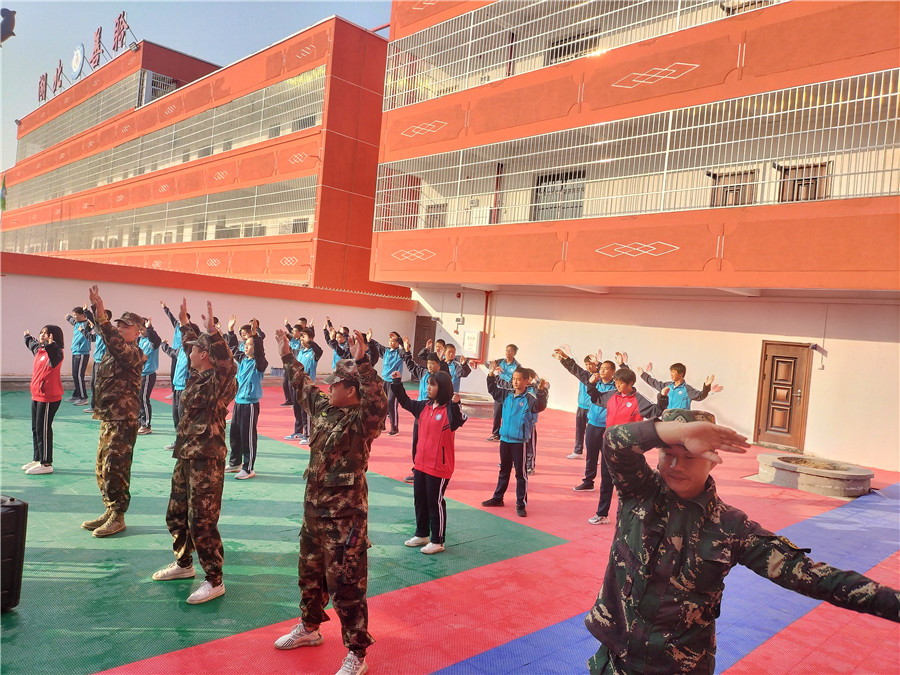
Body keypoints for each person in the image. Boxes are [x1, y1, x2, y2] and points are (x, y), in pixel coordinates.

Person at [585, 410, 900, 675]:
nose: (676, 466)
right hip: (616, 662)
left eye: (690, 456)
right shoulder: (640, 491)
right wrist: (677, 432)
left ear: (713, 462)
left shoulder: (731, 527)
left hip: (679, 667)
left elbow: (812, 576)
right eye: (668, 454)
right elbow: (614, 441)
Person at [273, 328, 388, 675]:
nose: (328, 389)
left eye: (334, 385)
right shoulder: (325, 410)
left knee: (347, 587)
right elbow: (303, 385)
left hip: (344, 522)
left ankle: (357, 654)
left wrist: (363, 363)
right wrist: (287, 354)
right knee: (309, 576)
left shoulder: (362, 421)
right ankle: (309, 628)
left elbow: (378, 402)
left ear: (350, 390)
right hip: (313, 514)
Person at [151, 299, 237, 605]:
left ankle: (214, 579)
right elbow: (191, 342)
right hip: (186, 456)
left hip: (206, 460)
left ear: (205, 355)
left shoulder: (218, 382)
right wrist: (185, 322)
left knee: (202, 521)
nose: (187, 353)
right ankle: (184, 564)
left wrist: (213, 332)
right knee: (176, 514)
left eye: (194, 349)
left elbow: (227, 364)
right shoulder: (197, 375)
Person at [80, 285, 145, 538]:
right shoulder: (113, 350)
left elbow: (115, 343)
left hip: (123, 419)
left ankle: (118, 515)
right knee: (102, 466)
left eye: (126, 326)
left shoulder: (134, 354)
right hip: (109, 417)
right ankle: (109, 509)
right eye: (118, 324)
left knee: (116, 467)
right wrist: (97, 314)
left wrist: (101, 315)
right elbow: (109, 340)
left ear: (138, 332)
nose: (120, 328)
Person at [392, 369, 465, 554]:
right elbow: (405, 402)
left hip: (439, 466)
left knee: (435, 502)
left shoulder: (450, 410)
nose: (428, 388)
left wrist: (456, 404)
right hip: (421, 464)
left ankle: (437, 541)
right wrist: (397, 383)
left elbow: (458, 420)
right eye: (428, 384)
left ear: (443, 388)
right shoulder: (424, 406)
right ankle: (422, 534)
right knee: (420, 500)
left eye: (433, 385)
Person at [481, 365, 548, 517]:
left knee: (520, 474)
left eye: (519, 379)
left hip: (519, 442)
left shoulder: (529, 398)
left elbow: (540, 406)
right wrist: (490, 376)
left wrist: (541, 391)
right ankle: (498, 498)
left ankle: (521, 504)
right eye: (514, 379)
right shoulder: (507, 394)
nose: (515, 382)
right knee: (503, 471)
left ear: (526, 380)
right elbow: (493, 390)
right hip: (505, 440)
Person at [227, 318, 267, 479]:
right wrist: (230, 331)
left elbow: (260, 352)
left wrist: (255, 335)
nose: (246, 346)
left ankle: (249, 468)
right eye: (245, 344)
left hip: (250, 404)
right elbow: (232, 348)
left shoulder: (259, 364)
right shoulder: (243, 360)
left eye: (250, 345)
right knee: (234, 434)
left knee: (247, 436)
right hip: (239, 402)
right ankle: (235, 463)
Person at [399, 341, 445, 483]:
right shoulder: (423, 373)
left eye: (433, 363)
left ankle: (431, 471)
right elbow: (411, 366)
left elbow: (446, 375)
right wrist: (407, 351)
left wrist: (443, 361)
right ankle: (417, 470)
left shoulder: (441, 377)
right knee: (417, 442)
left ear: (438, 364)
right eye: (429, 363)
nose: (430, 366)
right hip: (420, 410)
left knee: (431, 443)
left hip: (434, 412)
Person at [22, 324, 65, 475]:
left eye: (46, 333)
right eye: (41, 332)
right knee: (36, 427)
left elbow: (55, 357)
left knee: (44, 429)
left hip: (49, 398)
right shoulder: (39, 351)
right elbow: (32, 344)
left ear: (54, 337)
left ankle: (46, 463)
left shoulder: (57, 353)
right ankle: (37, 459)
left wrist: (51, 345)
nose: (42, 335)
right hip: (37, 395)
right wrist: (27, 337)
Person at [285, 327, 324, 443]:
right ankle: (298, 431)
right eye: (301, 337)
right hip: (297, 385)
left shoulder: (313, 353)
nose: (302, 339)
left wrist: (310, 341)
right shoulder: (300, 352)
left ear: (311, 338)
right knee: (297, 409)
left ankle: (308, 435)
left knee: (305, 411)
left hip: (307, 386)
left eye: (304, 336)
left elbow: (319, 351)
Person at [637, 361, 722, 410]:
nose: (671, 374)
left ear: (681, 374)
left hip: (681, 423)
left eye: (673, 372)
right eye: (671, 372)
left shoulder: (687, 389)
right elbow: (654, 383)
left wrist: (706, 386)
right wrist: (643, 375)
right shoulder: (667, 386)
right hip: (666, 421)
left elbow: (700, 396)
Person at [367, 330, 404, 436]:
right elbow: (377, 346)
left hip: (394, 382)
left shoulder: (400, 352)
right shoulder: (386, 351)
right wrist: (370, 340)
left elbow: (404, 350)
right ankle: (382, 425)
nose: (391, 342)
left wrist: (399, 340)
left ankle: (394, 428)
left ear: (397, 342)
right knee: (382, 403)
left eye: (394, 341)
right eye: (390, 340)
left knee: (391, 403)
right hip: (385, 381)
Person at [486, 344, 520, 442]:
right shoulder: (500, 362)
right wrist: (495, 367)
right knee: (497, 413)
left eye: (510, 351)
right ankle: (495, 434)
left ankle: (506, 434)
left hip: (510, 392)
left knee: (507, 414)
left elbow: (519, 377)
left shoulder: (517, 366)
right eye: (506, 350)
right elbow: (487, 364)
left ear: (514, 353)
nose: (508, 352)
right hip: (499, 390)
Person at [82, 308, 112, 414]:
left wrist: (87, 313)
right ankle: (94, 406)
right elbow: (91, 337)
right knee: (94, 384)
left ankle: (102, 407)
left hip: (103, 362)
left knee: (101, 385)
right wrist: (82, 330)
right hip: (97, 360)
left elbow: (99, 329)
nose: (98, 317)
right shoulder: (99, 330)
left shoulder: (107, 330)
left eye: (101, 315)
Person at [137, 317, 162, 435]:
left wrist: (149, 328)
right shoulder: (139, 340)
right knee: (137, 399)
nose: (140, 331)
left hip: (147, 375)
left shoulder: (153, 342)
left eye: (142, 329)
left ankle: (146, 425)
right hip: (138, 374)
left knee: (143, 399)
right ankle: (138, 422)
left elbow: (156, 340)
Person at [65, 305, 91, 405]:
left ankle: (83, 398)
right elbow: (72, 321)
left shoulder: (87, 324)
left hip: (82, 353)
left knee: (79, 375)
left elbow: (92, 319)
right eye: (74, 315)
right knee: (75, 375)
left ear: (82, 315)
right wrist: (68, 317)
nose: (74, 317)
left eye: (76, 315)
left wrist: (86, 311)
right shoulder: (77, 323)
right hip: (75, 352)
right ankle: (76, 395)